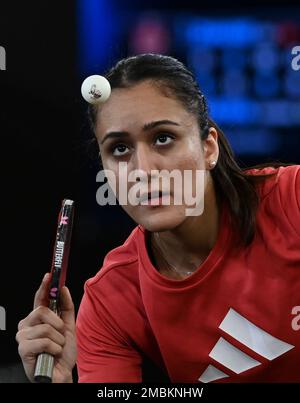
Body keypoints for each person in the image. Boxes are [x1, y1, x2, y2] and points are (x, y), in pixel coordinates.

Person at [16, 54, 300, 383]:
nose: (143, 171)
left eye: (163, 138)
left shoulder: (291, 199)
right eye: (119, 149)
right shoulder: (110, 303)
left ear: (209, 148)